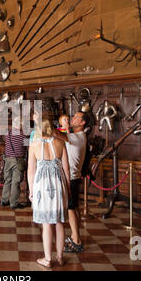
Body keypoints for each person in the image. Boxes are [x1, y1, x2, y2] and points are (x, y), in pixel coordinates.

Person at [28, 117, 71, 268]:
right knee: (59, 222)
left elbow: (31, 172)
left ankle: (47, 259)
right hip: (59, 185)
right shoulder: (60, 143)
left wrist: (31, 191)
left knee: (46, 223)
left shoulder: (33, 145)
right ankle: (59, 257)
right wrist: (68, 188)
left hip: (41, 186)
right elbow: (66, 170)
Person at [57, 112, 88, 253]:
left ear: (83, 123)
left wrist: (42, 121)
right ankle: (76, 235)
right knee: (74, 208)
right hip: (74, 177)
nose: (72, 119)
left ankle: (77, 242)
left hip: (72, 178)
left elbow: (58, 134)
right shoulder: (76, 136)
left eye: (76, 117)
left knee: (70, 209)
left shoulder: (78, 137)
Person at [1, 116, 27, 210]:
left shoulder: (7, 134)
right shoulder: (23, 135)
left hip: (7, 160)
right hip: (18, 161)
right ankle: (13, 203)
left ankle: (4, 201)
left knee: (7, 180)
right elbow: (27, 147)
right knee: (15, 182)